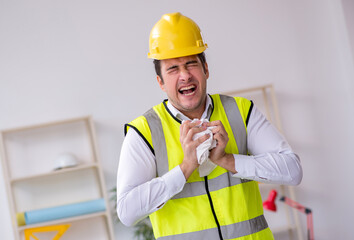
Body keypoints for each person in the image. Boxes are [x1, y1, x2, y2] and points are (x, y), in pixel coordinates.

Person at [117, 12, 302, 240]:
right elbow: (127, 212)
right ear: (161, 82)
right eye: (173, 69)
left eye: (191, 64)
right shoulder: (143, 132)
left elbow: (292, 170)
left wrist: (228, 160)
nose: (184, 75)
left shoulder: (240, 111)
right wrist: (185, 168)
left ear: (206, 69)